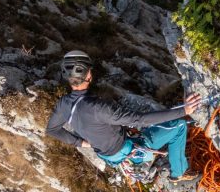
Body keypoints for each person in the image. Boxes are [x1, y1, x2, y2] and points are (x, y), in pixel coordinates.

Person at [46, 50, 203, 183]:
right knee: (179, 126)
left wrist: (81, 143)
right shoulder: (99, 107)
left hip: (107, 155)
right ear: (88, 75)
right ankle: (178, 173)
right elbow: (140, 119)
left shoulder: (64, 104)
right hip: (128, 150)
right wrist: (184, 110)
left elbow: (52, 130)